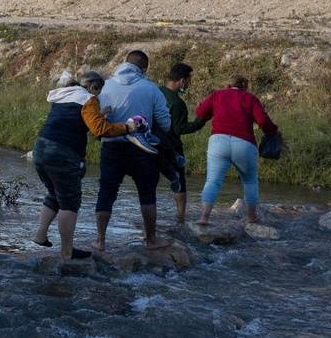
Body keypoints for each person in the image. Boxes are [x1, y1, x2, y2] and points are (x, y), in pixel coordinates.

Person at [32, 71, 136, 260]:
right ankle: (66, 253)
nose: (98, 97)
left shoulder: (63, 96)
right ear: (93, 87)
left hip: (40, 148)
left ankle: (40, 235)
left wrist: (99, 114)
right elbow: (99, 129)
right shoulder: (89, 100)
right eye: (98, 92)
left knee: (54, 194)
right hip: (63, 153)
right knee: (70, 202)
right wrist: (127, 127)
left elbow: (73, 121)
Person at [93, 50, 171, 251]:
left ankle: (100, 241)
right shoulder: (151, 88)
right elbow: (165, 122)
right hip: (142, 147)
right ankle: (151, 240)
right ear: (144, 69)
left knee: (106, 192)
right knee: (147, 193)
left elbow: (97, 117)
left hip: (111, 146)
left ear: (123, 63)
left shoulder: (105, 86)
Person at [194, 75, 279, 226]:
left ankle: (204, 217)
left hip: (218, 141)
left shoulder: (217, 95)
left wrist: (210, 114)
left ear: (228, 85)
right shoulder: (250, 98)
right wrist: (273, 131)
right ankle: (252, 217)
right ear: (244, 86)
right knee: (250, 181)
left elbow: (200, 112)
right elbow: (262, 121)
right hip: (244, 143)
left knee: (212, 181)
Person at [159, 63, 206, 226]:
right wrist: (201, 122)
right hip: (171, 147)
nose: (188, 84)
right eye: (188, 81)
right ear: (181, 81)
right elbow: (179, 129)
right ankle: (180, 218)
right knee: (179, 182)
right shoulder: (178, 104)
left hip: (150, 143)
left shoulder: (156, 92)